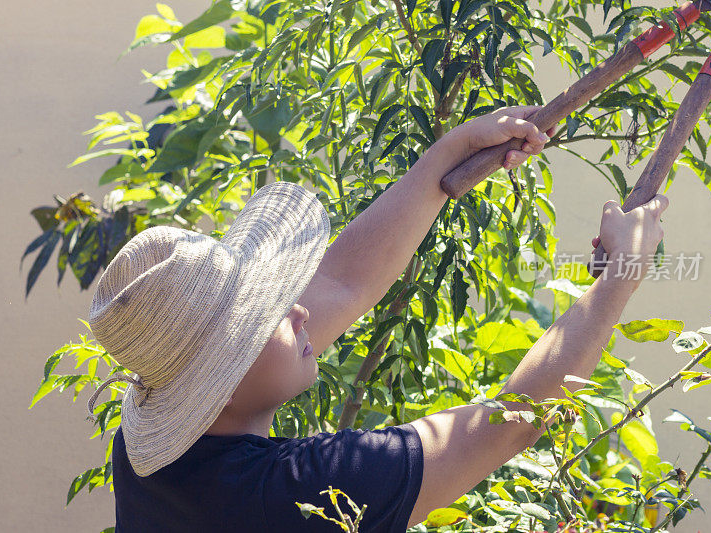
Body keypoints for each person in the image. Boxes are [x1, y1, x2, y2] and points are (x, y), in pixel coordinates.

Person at [86, 105, 667, 532]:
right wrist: (622, 277)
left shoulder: (152, 461)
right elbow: (511, 422)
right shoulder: (302, 492)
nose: (296, 308)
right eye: (265, 315)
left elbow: (343, 282)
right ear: (223, 378)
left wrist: (448, 157)